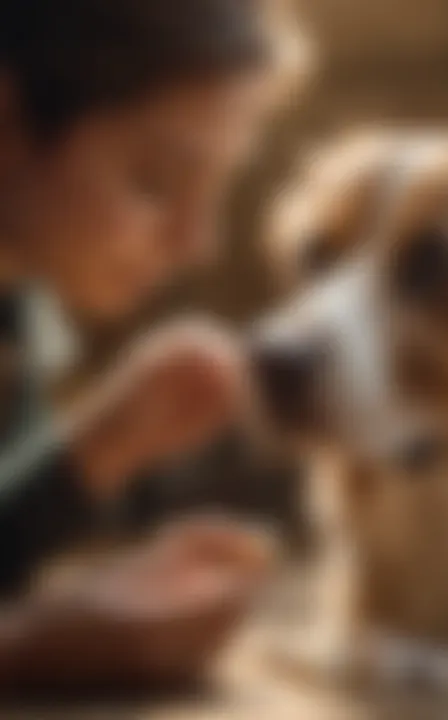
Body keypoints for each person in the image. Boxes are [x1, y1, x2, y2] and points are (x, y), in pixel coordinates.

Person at [0, 0, 300, 689]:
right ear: (6, 123)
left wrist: (98, 451)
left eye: (218, 189)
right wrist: (26, 647)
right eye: (156, 182)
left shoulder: (20, 314)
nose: (198, 243)